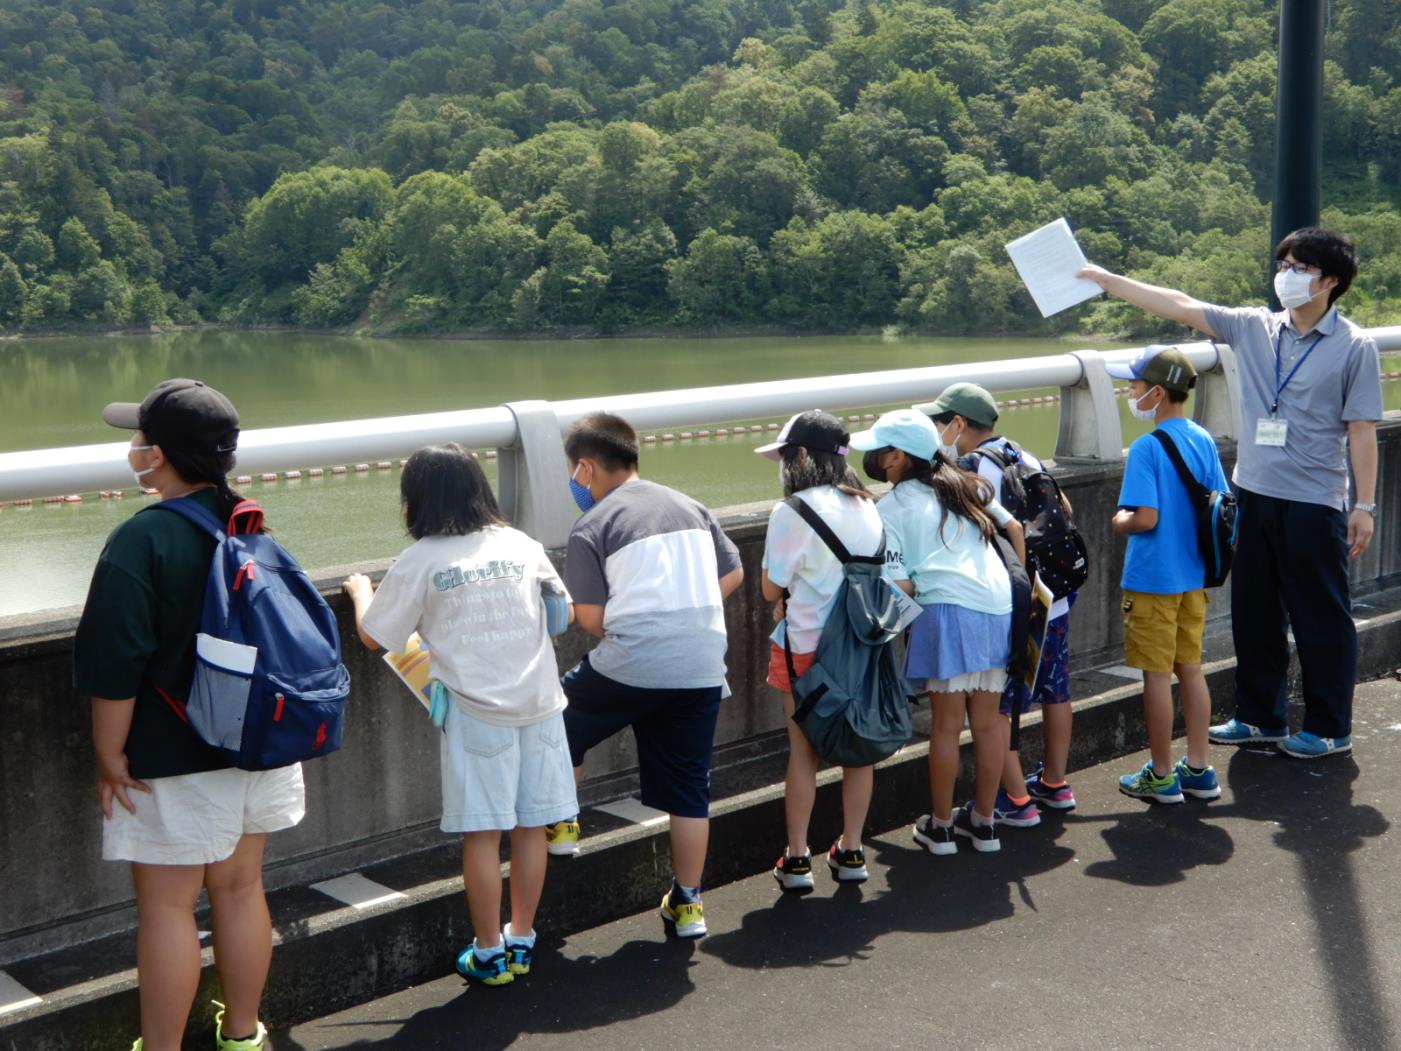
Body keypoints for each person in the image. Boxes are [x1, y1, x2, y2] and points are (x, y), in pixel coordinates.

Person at [1080, 228, 1382, 758]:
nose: (1285, 274)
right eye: (1283, 263)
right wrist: (1107, 280)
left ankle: (1330, 726)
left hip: (1314, 500)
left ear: (1330, 281)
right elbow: (1181, 305)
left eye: (1299, 267)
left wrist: (1364, 506)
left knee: (1320, 616)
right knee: (1255, 611)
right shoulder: (1255, 327)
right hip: (1254, 492)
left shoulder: (1354, 347)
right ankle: (1260, 716)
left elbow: (1361, 430)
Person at [74, 379, 301, 1051]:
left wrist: (110, 756)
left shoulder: (141, 540)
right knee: (239, 890)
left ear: (160, 454)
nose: (134, 449)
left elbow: (114, 667)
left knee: (169, 906)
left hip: (175, 758)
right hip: (259, 744)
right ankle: (243, 1033)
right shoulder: (250, 523)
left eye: (139, 439)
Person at [342, 443, 577, 986]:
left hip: (478, 714)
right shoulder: (520, 543)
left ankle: (488, 952)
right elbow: (558, 612)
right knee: (530, 827)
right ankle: (522, 940)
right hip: (540, 704)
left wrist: (361, 593)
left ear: (417, 500)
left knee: (481, 834)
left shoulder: (423, 558)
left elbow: (376, 636)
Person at [550, 412, 744, 938]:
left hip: (634, 662)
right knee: (689, 792)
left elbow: (590, 619)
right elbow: (734, 571)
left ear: (585, 468)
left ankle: (563, 823)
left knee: (556, 717)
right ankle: (688, 905)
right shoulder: (690, 505)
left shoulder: (593, 524)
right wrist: (684, 609)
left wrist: (645, 618)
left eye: (572, 472)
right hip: (702, 663)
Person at [850, 408, 1021, 856]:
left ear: (896, 457)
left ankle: (941, 827)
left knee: (946, 729)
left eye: (879, 449)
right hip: (999, 605)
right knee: (987, 725)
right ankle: (985, 825)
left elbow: (898, 582)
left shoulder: (890, 507)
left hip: (946, 609)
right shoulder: (967, 485)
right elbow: (1015, 528)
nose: (873, 456)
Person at [921, 382, 1078, 825]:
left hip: (1012, 604)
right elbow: (1063, 507)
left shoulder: (970, 467)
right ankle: (1055, 784)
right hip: (1053, 596)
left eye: (940, 421)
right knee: (1056, 688)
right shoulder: (1021, 453)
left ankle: (1016, 800)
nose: (937, 429)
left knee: (998, 709)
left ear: (958, 424)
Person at [756, 411, 885, 891]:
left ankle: (797, 860)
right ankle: (851, 851)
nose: (784, 466)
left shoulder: (792, 511)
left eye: (786, 456)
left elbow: (772, 590)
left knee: (803, 754)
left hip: (805, 649)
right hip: (861, 649)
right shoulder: (868, 505)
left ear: (804, 456)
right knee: (858, 753)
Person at [1109, 346, 1230, 804]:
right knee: (1191, 669)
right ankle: (1198, 768)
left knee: (1157, 677)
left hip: (1153, 580)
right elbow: (1220, 502)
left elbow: (1145, 518)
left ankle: (1161, 776)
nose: (1131, 393)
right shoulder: (1202, 437)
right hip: (1194, 576)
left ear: (1157, 393)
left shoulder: (1146, 447)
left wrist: (1118, 520)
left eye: (1135, 386)